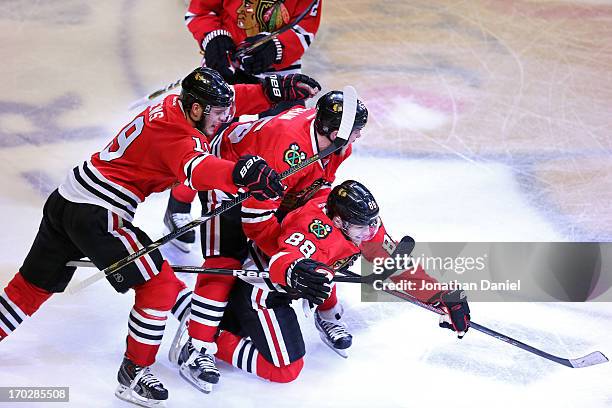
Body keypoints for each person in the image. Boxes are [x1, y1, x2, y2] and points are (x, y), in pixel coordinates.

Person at [0, 66, 297, 408]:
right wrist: (240, 173)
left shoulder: (176, 101)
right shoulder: (178, 136)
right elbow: (199, 170)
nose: (225, 119)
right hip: (99, 214)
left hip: (67, 198)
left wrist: (270, 91)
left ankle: (184, 323)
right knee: (160, 285)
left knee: (30, 287)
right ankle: (134, 375)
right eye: (217, 113)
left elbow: (228, 100)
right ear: (197, 110)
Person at [171, 180, 471, 384]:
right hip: (262, 291)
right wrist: (295, 270)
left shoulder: (359, 225)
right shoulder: (313, 232)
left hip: (295, 282)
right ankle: (205, 339)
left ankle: (323, 314)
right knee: (286, 370)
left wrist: (442, 296)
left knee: (324, 277)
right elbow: (283, 260)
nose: (370, 235)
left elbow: (393, 264)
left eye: (372, 225)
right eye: (362, 228)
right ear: (339, 222)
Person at [168, 90, 369, 393]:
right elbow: (256, 222)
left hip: (271, 187)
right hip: (229, 177)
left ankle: (325, 312)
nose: (356, 139)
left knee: (325, 238)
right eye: (353, 133)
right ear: (331, 130)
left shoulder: (339, 145)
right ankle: (196, 344)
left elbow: (317, 186)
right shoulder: (286, 147)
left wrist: (309, 240)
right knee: (225, 260)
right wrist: (288, 263)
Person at [164, 0, 323, 251]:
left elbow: (305, 26)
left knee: (295, 146)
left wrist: (275, 49)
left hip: (281, 77)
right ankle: (179, 203)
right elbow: (199, 10)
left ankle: (275, 223)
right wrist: (214, 39)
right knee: (205, 143)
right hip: (226, 65)